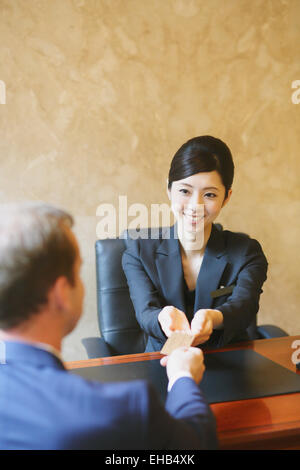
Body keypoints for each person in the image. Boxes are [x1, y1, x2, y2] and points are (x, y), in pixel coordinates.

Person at [0, 201, 217, 450]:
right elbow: (194, 445)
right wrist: (182, 378)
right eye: (78, 271)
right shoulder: (124, 410)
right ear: (61, 293)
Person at [122, 136, 268, 352]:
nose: (195, 205)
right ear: (169, 189)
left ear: (226, 197)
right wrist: (163, 316)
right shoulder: (139, 251)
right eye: (185, 191)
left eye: (209, 194)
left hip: (229, 359)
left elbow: (245, 307)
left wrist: (215, 317)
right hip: (165, 361)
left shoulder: (246, 253)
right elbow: (146, 312)